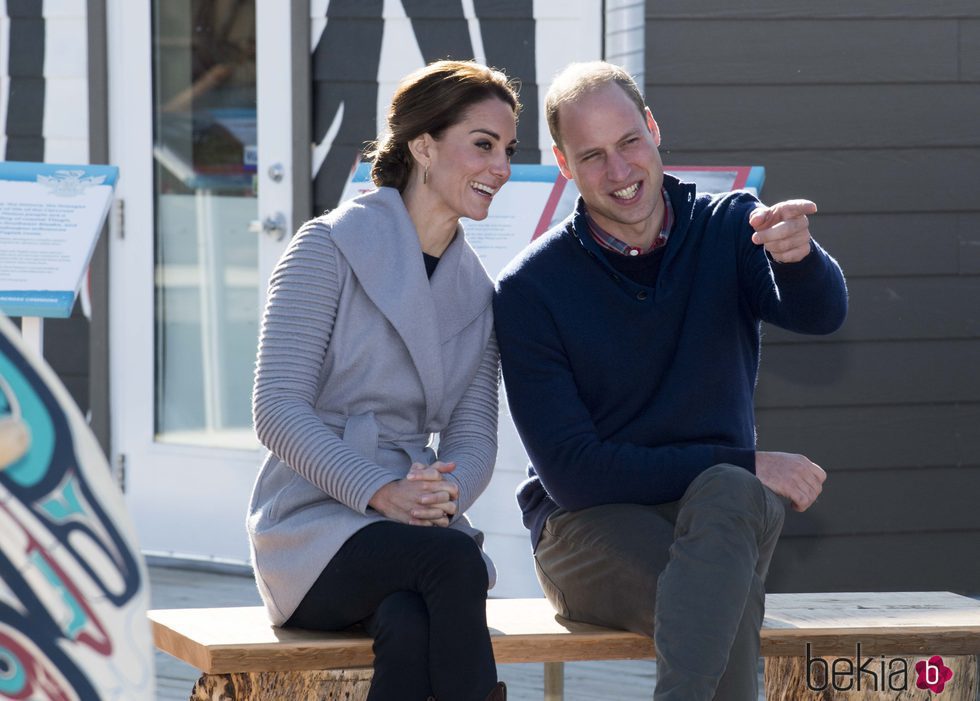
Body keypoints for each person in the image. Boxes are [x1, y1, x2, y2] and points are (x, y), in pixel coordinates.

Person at [494, 61, 848, 700]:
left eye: (629, 141)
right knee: (719, 594)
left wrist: (801, 259)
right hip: (586, 528)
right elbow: (576, 476)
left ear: (653, 129)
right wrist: (746, 461)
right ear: (564, 165)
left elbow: (820, 314)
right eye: (593, 155)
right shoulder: (530, 290)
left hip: (718, 514)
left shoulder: (727, 227)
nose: (620, 171)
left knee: (729, 497)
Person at [247, 60, 519, 701]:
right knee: (456, 563)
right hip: (310, 526)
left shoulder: (478, 291)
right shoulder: (327, 247)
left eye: (508, 150)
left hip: (414, 528)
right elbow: (276, 408)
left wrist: (436, 498)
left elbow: (475, 434)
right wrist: (379, 491)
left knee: (410, 620)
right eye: (483, 145)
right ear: (424, 146)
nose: (501, 168)